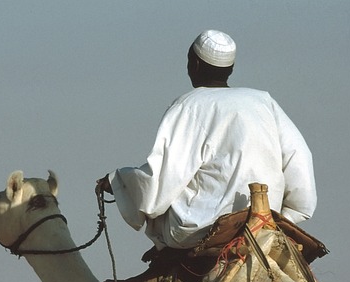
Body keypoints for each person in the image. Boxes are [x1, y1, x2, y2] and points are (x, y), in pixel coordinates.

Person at [97, 30, 316, 256]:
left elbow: (162, 180)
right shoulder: (263, 101)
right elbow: (300, 158)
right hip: (266, 222)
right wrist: (289, 216)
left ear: (195, 65)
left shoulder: (188, 106)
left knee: (162, 224)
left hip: (202, 229)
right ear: (230, 69)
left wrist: (118, 181)